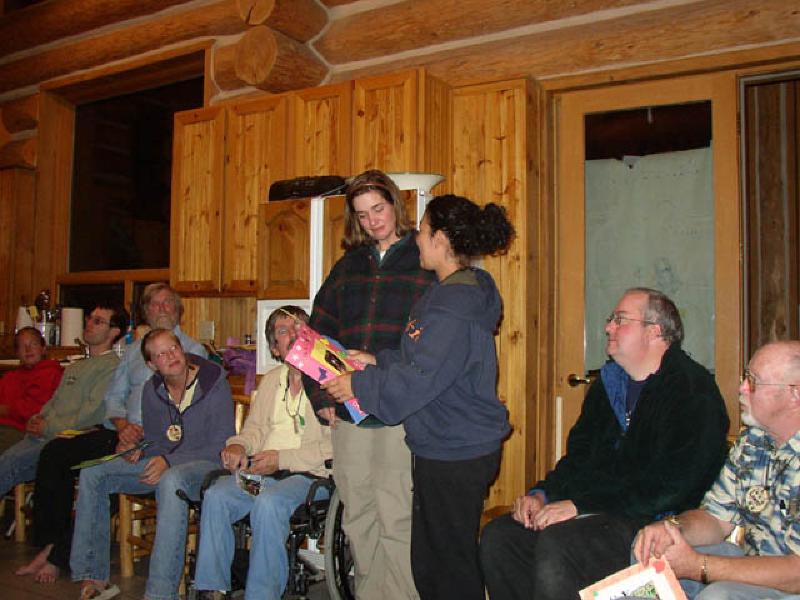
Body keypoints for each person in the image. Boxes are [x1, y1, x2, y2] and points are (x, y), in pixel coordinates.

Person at [479, 287, 731, 600]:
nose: (608, 327)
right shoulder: (609, 386)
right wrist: (543, 495)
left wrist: (580, 506)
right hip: (601, 512)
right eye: (611, 319)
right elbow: (578, 460)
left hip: (657, 521)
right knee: (501, 536)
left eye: (620, 320)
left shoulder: (693, 392)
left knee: (563, 543)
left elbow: (672, 486)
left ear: (655, 331)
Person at [323, 194, 514, 600]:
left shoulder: (452, 305)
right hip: (448, 445)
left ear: (442, 239)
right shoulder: (451, 291)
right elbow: (418, 357)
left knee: (445, 568)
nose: (418, 240)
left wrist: (356, 385)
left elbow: (416, 382)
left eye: (424, 232)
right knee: (439, 560)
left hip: (455, 450)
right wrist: (374, 360)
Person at [303, 169, 435, 599]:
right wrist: (320, 395)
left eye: (378, 209)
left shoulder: (424, 259)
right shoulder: (348, 267)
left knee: (397, 517)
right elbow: (317, 337)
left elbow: (434, 343)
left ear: (396, 205)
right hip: (349, 412)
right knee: (357, 516)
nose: (373, 221)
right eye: (362, 215)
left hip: (398, 408)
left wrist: (384, 363)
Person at [16, 283, 205, 583]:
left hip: (159, 440)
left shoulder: (193, 352)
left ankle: (57, 556)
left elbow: (193, 411)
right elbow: (113, 399)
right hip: (118, 431)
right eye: (154, 304)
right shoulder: (132, 352)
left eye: (168, 303)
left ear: (179, 310)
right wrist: (121, 427)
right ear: (146, 312)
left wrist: (142, 434)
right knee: (55, 452)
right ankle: (51, 542)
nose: (161, 309)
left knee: (102, 474)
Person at [71, 328, 234, 600]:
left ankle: (160, 594)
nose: (171, 356)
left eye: (173, 348)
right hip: (166, 463)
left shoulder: (214, 382)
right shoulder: (152, 389)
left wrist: (168, 460)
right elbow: (159, 441)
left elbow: (221, 445)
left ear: (182, 349)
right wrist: (138, 449)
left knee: (171, 480)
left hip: (207, 466)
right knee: (94, 472)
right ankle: (94, 576)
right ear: (151, 364)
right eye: (161, 354)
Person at [634, 340, 800, 600]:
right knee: (649, 547)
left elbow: (796, 573)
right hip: (758, 568)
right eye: (746, 377)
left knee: (720, 596)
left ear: (795, 394)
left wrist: (698, 565)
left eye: (754, 382)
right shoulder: (753, 442)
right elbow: (715, 518)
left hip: (792, 581)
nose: (742, 388)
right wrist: (672, 528)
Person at [194, 305, 333, 600]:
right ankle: (213, 589)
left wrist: (281, 459)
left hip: (310, 477)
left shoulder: (328, 380)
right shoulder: (272, 381)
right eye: (284, 331)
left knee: (268, 503)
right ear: (274, 347)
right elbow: (254, 430)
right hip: (266, 473)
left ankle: (261, 595)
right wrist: (239, 445)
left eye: (299, 328)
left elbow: (335, 447)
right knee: (217, 495)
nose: (293, 334)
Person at [0, 304, 125, 500]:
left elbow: (91, 415)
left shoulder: (111, 367)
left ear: (114, 332)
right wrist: (38, 418)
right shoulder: (75, 366)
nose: (89, 324)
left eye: (97, 321)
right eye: (89, 318)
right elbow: (53, 401)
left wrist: (48, 426)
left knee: (8, 464)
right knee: (6, 461)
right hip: (41, 435)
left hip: (63, 440)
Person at [0, 327, 63, 454]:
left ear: (43, 348)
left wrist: (6, 409)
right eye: (23, 346)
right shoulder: (9, 377)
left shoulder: (50, 373)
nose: (28, 350)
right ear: (17, 353)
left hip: (21, 431)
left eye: (33, 344)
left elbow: (34, 410)